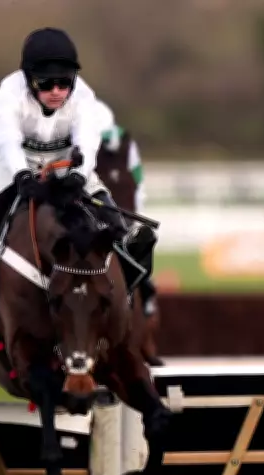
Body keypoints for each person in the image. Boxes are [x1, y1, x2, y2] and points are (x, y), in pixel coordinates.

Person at [0, 27, 156, 302]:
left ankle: (126, 242)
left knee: (98, 193)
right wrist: (21, 175)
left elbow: (88, 140)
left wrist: (79, 175)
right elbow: (7, 140)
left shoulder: (83, 95)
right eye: (46, 84)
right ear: (29, 79)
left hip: (64, 160)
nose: (56, 91)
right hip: (12, 162)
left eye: (64, 83)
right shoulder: (10, 91)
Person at [95, 99, 157, 316]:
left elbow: (138, 181)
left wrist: (138, 215)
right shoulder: (83, 146)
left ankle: (146, 294)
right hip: (97, 217)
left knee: (138, 252)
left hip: (125, 216)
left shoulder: (128, 146)